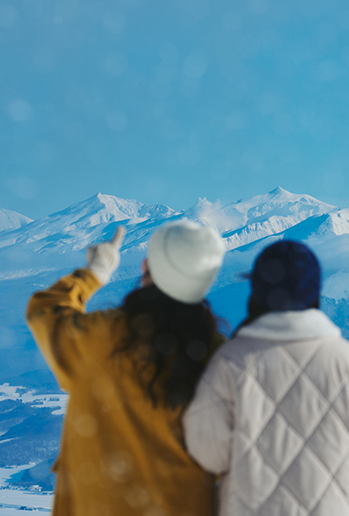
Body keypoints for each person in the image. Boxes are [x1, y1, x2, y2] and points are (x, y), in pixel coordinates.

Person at [26, 221, 226, 516]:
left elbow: (45, 311)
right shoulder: (219, 356)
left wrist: (94, 273)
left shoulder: (98, 338)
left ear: (147, 266)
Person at [183, 239, 349, 516]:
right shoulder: (345, 359)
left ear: (257, 293)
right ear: (316, 293)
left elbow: (208, 452)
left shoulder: (232, 359)